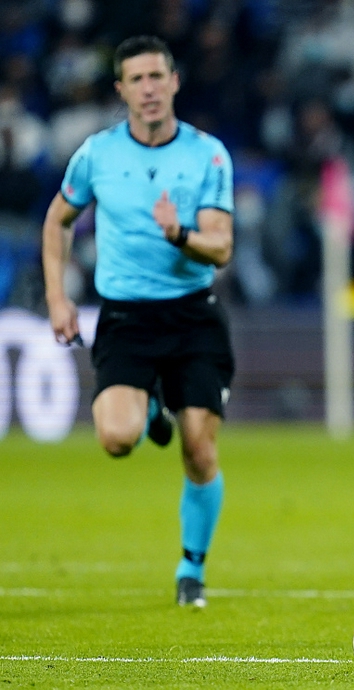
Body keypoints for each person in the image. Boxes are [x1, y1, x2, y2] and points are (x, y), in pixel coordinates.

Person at [41, 35, 235, 609]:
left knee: (199, 449)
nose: (148, 88)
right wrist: (57, 296)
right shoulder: (97, 155)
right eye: (136, 79)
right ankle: (151, 406)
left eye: (157, 76)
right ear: (120, 90)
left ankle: (191, 569)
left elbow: (221, 247)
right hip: (126, 317)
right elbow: (57, 221)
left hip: (192, 316)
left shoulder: (207, 155)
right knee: (116, 439)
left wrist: (179, 233)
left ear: (174, 82)